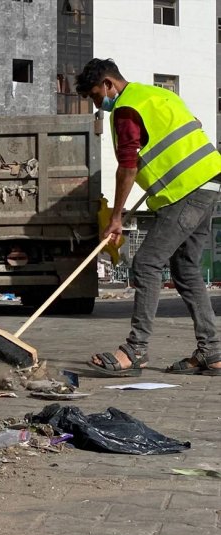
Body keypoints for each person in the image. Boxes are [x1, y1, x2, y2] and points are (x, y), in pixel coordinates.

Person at [75, 58, 221, 377]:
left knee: (146, 263)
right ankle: (212, 352)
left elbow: (127, 166)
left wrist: (116, 217)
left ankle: (135, 350)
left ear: (109, 84)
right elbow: (193, 122)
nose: (98, 104)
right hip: (209, 180)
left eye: (96, 96)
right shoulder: (158, 95)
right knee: (185, 268)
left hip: (186, 190)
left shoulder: (127, 110)